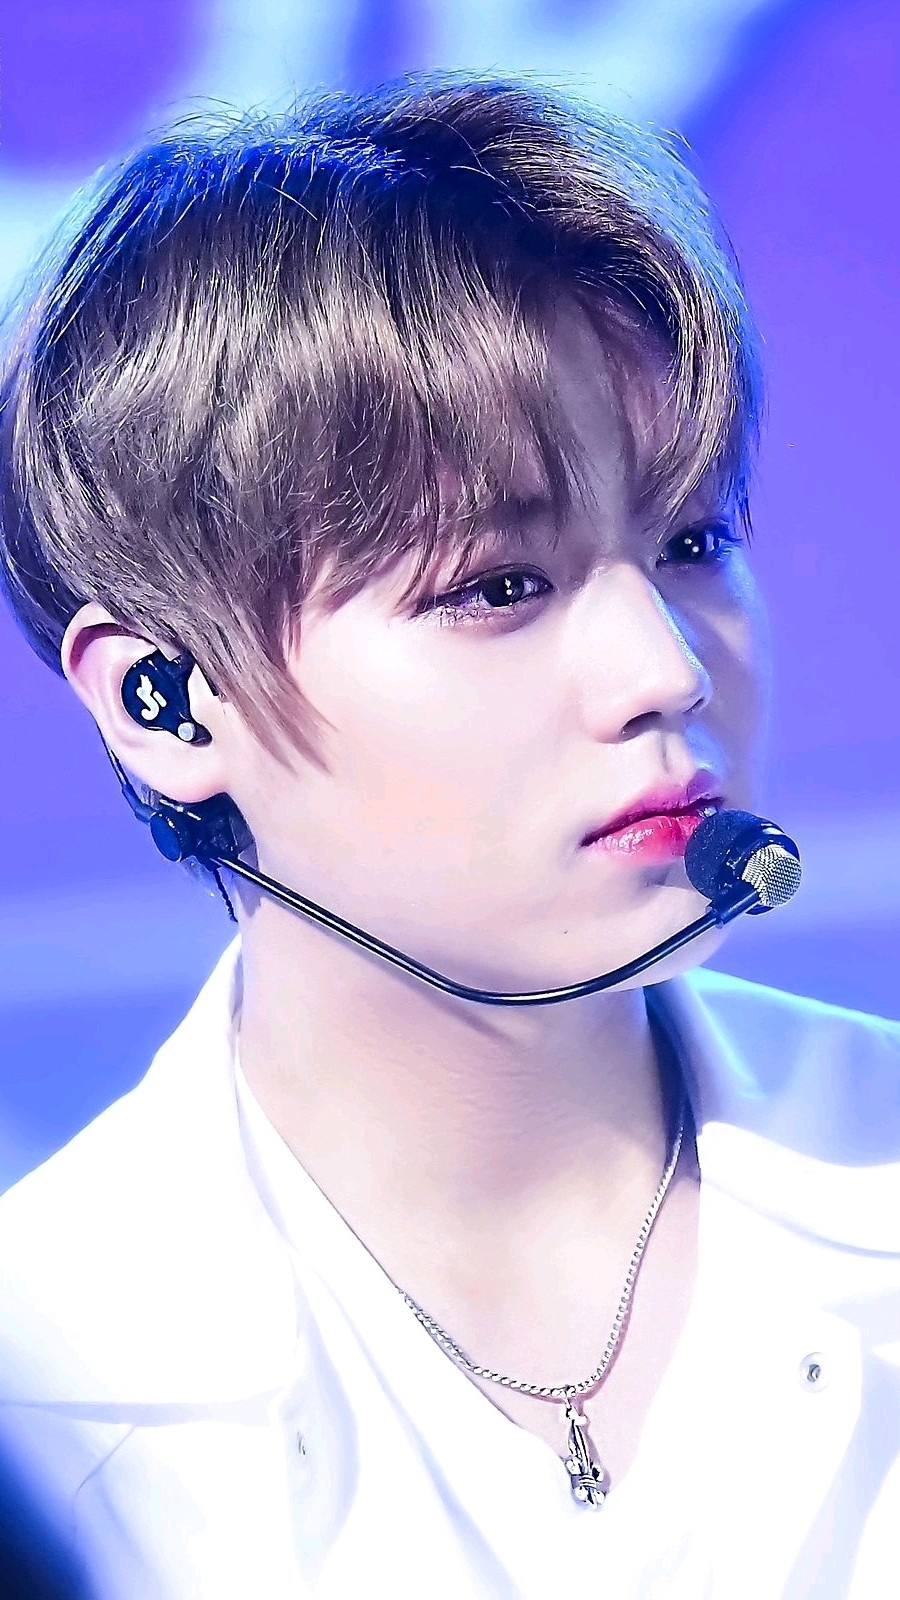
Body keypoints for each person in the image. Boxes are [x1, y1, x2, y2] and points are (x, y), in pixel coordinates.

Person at [0, 70, 897, 1600]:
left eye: (692, 543)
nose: (666, 670)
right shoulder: (39, 1384)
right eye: (496, 586)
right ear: (165, 699)